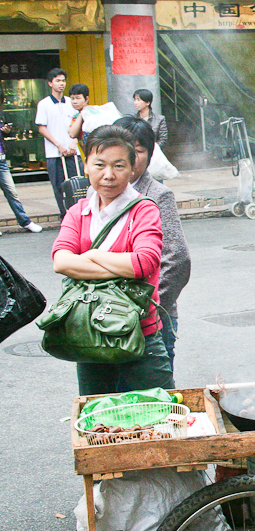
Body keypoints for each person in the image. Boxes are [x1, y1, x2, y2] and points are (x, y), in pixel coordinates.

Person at [51, 125, 172, 394]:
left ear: (132, 168)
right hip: (90, 334)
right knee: (98, 417)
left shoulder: (143, 210)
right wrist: (121, 267)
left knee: (160, 415)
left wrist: (91, 256)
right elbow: (61, 261)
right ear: (86, 166)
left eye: (118, 166)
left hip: (141, 333)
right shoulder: (77, 212)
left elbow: (143, 264)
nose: (109, 175)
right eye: (100, 164)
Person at [113, 116, 191, 370]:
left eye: (138, 151)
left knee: (154, 397)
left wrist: (148, 309)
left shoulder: (157, 195)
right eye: (124, 151)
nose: (131, 160)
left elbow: (177, 260)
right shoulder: (98, 194)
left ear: (150, 153)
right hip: (108, 318)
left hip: (149, 320)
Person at [35, 67, 80, 217]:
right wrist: (59, 145)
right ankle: (65, 216)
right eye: (58, 81)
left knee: (77, 185)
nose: (61, 84)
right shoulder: (44, 104)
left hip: (73, 152)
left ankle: (78, 215)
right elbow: (42, 128)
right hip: (54, 154)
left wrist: (74, 142)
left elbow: (79, 123)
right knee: (59, 187)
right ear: (50, 83)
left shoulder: (71, 102)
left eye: (63, 81)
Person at [0, 91, 40, 233]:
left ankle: (25, 221)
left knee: (12, 192)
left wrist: (6, 131)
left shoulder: (1, 114)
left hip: (1, 160)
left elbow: (8, 134)